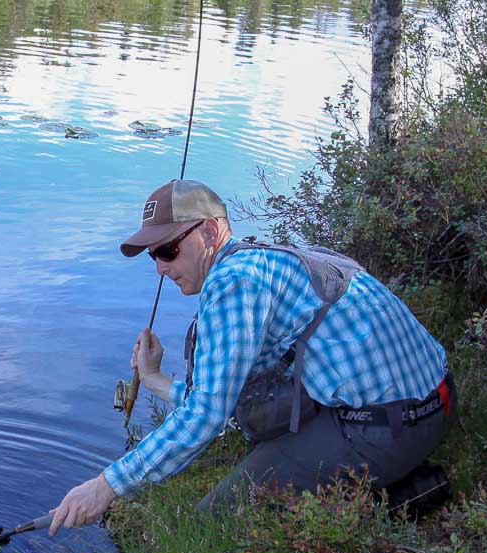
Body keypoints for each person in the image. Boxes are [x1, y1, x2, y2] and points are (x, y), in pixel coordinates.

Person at [48, 179, 454, 534]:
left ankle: (401, 496)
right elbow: (223, 399)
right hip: (433, 403)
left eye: (169, 250)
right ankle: (386, 482)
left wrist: (106, 486)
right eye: (153, 254)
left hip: (393, 425)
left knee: (218, 519)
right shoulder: (267, 259)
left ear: (209, 231)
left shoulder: (233, 282)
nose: (159, 268)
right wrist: (153, 379)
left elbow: (205, 417)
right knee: (261, 431)